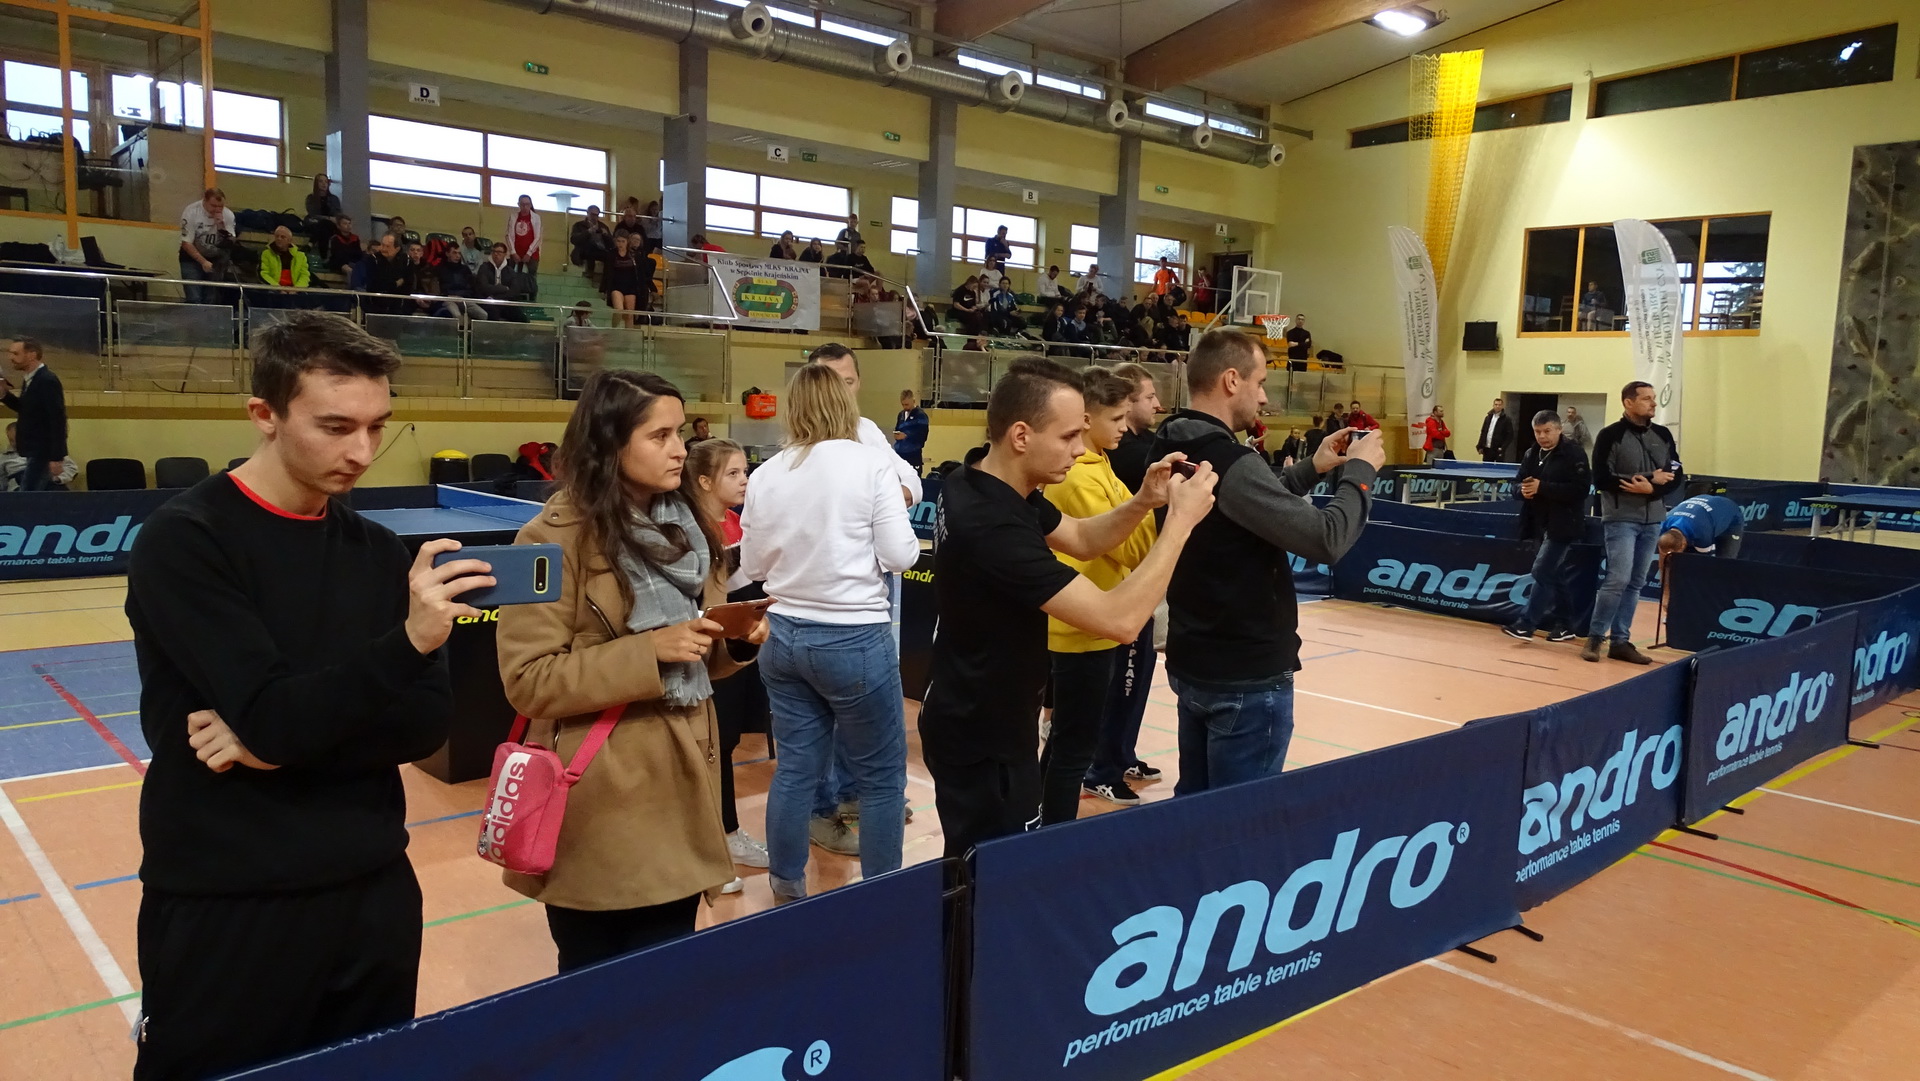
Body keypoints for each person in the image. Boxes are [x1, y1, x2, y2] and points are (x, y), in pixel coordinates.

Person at [124, 312, 475, 1080]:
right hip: (232, 899)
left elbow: (425, 721)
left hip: (373, 891)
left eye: (378, 426)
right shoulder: (186, 540)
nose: (363, 452)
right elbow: (281, 714)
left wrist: (274, 744)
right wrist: (405, 645)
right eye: (336, 426)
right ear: (266, 414)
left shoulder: (378, 551)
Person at [497, 368, 768, 972]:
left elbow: (693, 654)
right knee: (600, 985)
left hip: (684, 785)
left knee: (667, 979)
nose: (680, 450)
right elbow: (529, 680)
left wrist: (733, 641)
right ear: (609, 442)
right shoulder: (550, 539)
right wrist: (649, 652)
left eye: (680, 433)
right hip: (603, 801)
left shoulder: (688, 529)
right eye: (659, 436)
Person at [919, 356, 1216, 857]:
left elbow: (1079, 537)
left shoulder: (981, 477)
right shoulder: (991, 526)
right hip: (981, 735)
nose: (1080, 450)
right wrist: (1180, 524)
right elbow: (1120, 621)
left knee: (986, 868)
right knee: (990, 874)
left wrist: (1144, 501)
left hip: (981, 713)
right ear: (1020, 436)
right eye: (1068, 436)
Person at [1152, 328, 1384, 795]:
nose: (1262, 397)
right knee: (1240, 821)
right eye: (1259, 383)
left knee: (1193, 810)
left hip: (1194, 659)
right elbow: (1327, 538)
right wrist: (1360, 472)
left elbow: (1241, 507)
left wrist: (1311, 469)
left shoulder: (1172, 444)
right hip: (1245, 674)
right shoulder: (1231, 460)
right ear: (1231, 380)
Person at [740, 365, 920, 902]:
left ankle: (786, 885)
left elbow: (752, 564)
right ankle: (882, 897)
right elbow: (901, 555)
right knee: (881, 779)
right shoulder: (869, 464)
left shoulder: (766, 473)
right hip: (852, 638)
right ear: (845, 405)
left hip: (782, 637)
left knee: (795, 770)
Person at [1039, 367, 1164, 816]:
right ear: (1087, 420)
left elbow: (1131, 532)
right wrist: (1152, 513)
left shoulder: (1101, 464)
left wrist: (1140, 513)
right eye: (1116, 419)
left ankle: (1045, 819)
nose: (1124, 428)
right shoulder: (1079, 477)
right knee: (1074, 746)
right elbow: (1129, 546)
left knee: (1072, 739)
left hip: (1096, 622)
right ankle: (1051, 828)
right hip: (1080, 627)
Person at [680, 437, 771, 891]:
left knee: (727, 741)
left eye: (744, 472)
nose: (744, 480)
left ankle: (727, 833)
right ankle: (707, 847)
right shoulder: (688, 530)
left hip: (738, 650)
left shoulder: (736, 521)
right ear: (703, 481)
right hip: (705, 656)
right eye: (733, 473)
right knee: (707, 747)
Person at [1585, 380, 1683, 665]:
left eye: (1654, 398)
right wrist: (1648, 479)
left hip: (1653, 520)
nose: (1654, 403)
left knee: (1636, 582)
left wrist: (1652, 489)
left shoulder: (1663, 434)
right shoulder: (1609, 436)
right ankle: (1595, 637)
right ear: (1628, 402)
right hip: (1621, 519)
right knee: (1618, 579)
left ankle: (1620, 641)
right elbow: (1601, 477)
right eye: (1646, 399)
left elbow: (1676, 471)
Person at [1502, 411, 1592, 643]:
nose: (1542, 436)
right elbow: (1516, 483)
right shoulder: (1531, 453)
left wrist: (1543, 487)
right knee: (1554, 573)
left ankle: (1526, 625)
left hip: (1563, 524)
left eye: (1547, 431)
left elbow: (1581, 490)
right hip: (1536, 523)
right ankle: (1566, 625)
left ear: (1559, 429)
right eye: (1537, 432)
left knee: (1541, 571)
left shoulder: (1574, 453)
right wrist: (1521, 490)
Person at [1, 338, 66, 492]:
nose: (11, 358)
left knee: (28, 496)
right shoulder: (31, 379)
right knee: (29, 495)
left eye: (16, 353)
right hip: (34, 450)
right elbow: (27, 410)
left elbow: (57, 419)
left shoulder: (46, 380)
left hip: (42, 450)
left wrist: (56, 457)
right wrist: (4, 395)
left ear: (32, 355)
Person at [179, 188, 236, 305]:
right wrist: (203, 261)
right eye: (213, 206)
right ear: (204, 200)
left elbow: (230, 243)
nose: (217, 210)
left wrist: (221, 227)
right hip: (192, 257)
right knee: (194, 297)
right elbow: (186, 243)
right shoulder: (191, 212)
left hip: (216, 257)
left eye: (220, 206)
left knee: (212, 297)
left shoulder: (228, 215)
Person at [1658, 494, 1744, 559]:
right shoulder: (1662, 526)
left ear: (1684, 544)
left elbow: (1703, 562)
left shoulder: (1702, 532)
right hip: (1703, 514)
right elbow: (1664, 559)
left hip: (1730, 516)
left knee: (1725, 562)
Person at [256, 226, 311, 306]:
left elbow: (305, 275)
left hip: (294, 291)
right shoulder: (266, 254)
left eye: (283, 237)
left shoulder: (300, 256)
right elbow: (263, 274)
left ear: (289, 240)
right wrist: (279, 288)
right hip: (274, 290)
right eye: (277, 236)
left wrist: (295, 289)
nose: (279, 239)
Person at [476, 241, 530, 322]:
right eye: (494, 251)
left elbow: (514, 291)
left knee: (521, 317)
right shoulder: (484, 268)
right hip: (488, 302)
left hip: (504, 301)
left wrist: (497, 297)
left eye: (499, 252)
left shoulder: (510, 271)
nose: (496, 254)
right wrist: (503, 288)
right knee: (493, 313)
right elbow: (484, 287)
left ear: (505, 254)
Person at [602, 231, 647, 329]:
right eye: (618, 241)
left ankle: (628, 336)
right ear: (615, 241)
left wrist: (642, 289)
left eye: (623, 241)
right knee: (619, 310)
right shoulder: (611, 254)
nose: (620, 244)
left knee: (629, 315)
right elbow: (606, 272)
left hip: (631, 286)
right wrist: (603, 289)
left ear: (627, 242)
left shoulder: (634, 255)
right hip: (616, 286)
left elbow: (640, 274)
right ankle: (614, 330)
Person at [504, 193, 542, 300]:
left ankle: (532, 297)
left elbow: (538, 237)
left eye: (527, 204)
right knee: (511, 273)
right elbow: (509, 235)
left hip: (532, 252)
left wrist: (529, 253)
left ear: (530, 205)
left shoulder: (536, 217)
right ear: (519, 205)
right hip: (516, 251)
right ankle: (511, 294)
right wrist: (513, 252)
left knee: (532, 275)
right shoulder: (513, 216)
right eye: (522, 204)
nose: (525, 207)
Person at [361, 234, 410, 315]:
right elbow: (374, 285)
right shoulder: (373, 259)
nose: (383, 249)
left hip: (399, 304)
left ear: (397, 249)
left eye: (387, 246)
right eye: (382, 245)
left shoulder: (407, 261)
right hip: (375, 303)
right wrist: (395, 284)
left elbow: (408, 285)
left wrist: (388, 284)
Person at [570, 205, 614, 281]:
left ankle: (607, 279)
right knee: (590, 246)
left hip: (599, 250)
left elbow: (611, 244)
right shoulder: (579, 225)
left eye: (596, 215)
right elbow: (574, 240)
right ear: (587, 213)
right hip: (583, 251)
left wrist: (606, 235)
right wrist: (588, 232)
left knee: (610, 255)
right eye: (592, 214)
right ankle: (590, 271)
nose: (594, 217)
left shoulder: (603, 226)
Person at [893, 388, 928, 473]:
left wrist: (906, 436)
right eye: (903, 404)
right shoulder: (901, 414)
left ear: (913, 401)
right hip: (900, 454)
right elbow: (897, 428)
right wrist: (896, 435)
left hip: (913, 455)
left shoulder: (921, 415)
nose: (905, 407)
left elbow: (922, 435)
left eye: (907, 404)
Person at [304, 174, 342, 250]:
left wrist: (329, 219)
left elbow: (337, 215)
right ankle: (323, 255)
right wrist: (328, 218)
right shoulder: (311, 198)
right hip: (314, 222)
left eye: (326, 182)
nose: (324, 184)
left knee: (324, 226)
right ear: (316, 184)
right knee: (323, 226)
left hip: (329, 225)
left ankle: (310, 243)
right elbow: (313, 214)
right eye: (321, 181)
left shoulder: (334, 198)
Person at [1476, 397, 1513, 463]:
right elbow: (1483, 432)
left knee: (1498, 467)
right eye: (1496, 404)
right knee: (1486, 466)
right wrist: (1480, 446)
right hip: (1487, 449)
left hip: (1498, 449)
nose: (1497, 406)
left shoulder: (1506, 419)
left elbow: (1510, 435)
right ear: (1493, 405)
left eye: (1499, 405)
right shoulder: (1488, 418)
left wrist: (1503, 447)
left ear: (1502, 406)